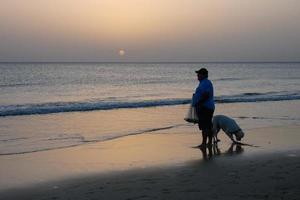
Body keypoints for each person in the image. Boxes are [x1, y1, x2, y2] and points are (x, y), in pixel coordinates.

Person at [192, 68, 215, 148]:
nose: (197, 75)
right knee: (208, 125)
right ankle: (209, 143)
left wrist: (199, 103)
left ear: (204, 75)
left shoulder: (205, 83)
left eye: (199, 74)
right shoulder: (205, 83)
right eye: (198, 74)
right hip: (208, 106)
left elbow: (206, 95)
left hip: (205, 107)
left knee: (205, 126)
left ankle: (204, 143)